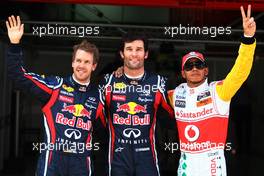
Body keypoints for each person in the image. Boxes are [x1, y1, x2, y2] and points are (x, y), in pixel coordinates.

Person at [6, 15, 105, 176]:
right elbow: (18, 76)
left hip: (81, 164)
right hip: (53, 161)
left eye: (87, 62)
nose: (81, 65)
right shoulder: (55, 86)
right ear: (72, 62)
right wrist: (15, 44)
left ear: (94, 66)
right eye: (78, 60)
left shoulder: (99, 96)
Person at [169, 5, 256, 176]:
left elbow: (240, 72)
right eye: (189, 66)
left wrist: (248, 38)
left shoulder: (219, 91)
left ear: (206, 70)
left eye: (198, 64)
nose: (194, 68)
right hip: (185, 166)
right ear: (183, 72)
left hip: (212, 167)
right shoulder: (175, 93)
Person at [99, 33, 174, 176]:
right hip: (117, 158)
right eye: (129, 49)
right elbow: (94, 114)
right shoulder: (107, 82)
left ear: (146, 54)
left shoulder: (160, 83)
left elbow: (174, 119)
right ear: (122, 53)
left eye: (139, 49)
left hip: (148, 157)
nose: (134, 54)